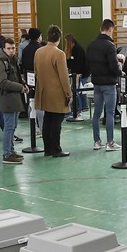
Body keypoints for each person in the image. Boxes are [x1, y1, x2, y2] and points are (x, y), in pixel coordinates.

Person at [34, 25, 73, 157]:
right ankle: (56, 149)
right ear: (59, 38)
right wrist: (69, 93)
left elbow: (36, 72)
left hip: (43, 91)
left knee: (47, 120)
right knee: (57, 122)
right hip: (57, 93)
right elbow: (64, 76)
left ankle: (48, 149)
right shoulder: (59, 53)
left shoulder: (38, 52)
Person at [86, 19, 122, 151]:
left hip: (96, 83)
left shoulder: (91, 45)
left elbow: (88, 65)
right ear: (110, 29)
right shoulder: (110, 46)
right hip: (109, 83)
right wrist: (120, 70)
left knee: (97, 113)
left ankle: (97, 141)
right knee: (110, 113)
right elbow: (114, 66)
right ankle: (110, 142)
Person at [0, 37, 28, 164]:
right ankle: (7, 154)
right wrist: (20, 87)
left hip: (14, 97)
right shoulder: (0, 62)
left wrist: (23, 83)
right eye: (9, 48)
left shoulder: (11, 60)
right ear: (3, 48)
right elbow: (2, 82)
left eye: (13, 48)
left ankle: (11, 151)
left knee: (13, 126)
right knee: (9, 127)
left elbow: (16, 76)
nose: (12, 50)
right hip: (7, 97)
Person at [64, 33, 89, 119]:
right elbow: (70, 62)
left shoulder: (77, 49)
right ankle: (82, 107)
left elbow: (78, 64)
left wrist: (77, 74)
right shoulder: (74, 49)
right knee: (78, 91)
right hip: (78, 73)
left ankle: (78, 110)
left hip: (81, 73)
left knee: (77, 91)